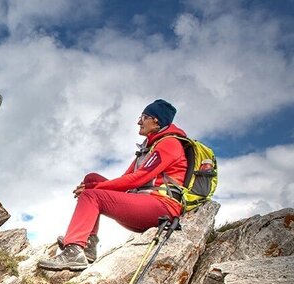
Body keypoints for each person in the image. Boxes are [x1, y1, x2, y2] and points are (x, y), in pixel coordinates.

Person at [38, 99, 187, 271]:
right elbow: (126, 180)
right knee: (91, 178)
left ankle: (74, 250)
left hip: (162, 208)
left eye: (143, 117)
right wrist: (92, 184)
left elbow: (138, 179)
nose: (139, 122)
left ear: (156, 120)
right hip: (144, 203)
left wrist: (92, 190)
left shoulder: (169, 144)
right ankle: (87, 244)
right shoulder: (149, 147)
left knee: (91, 195)